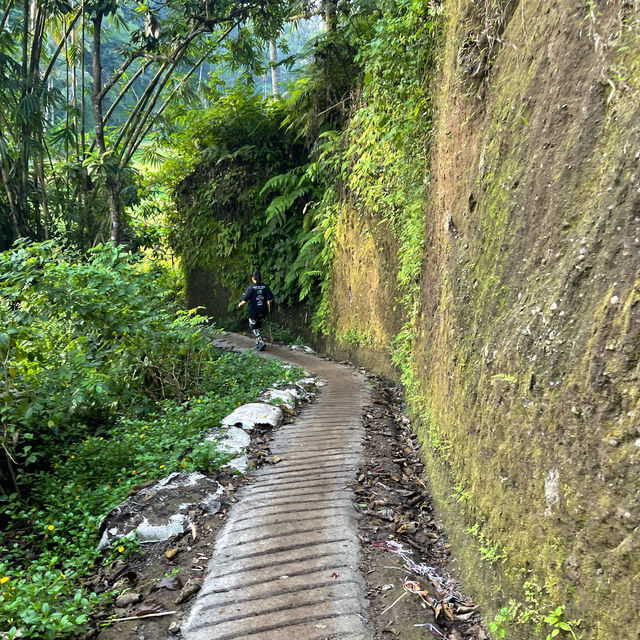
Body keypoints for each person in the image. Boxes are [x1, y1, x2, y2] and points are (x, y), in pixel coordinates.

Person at [237, 270, 274, 350]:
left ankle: (260, 341)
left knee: (252, 326)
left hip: (254, 311)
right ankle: (257, 342)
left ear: (253, 278)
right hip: (263, 311)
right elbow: (270, 299)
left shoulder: (251, 288)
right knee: (257, 325)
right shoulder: (265, 287)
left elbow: (244, 301)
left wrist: (239, 305)